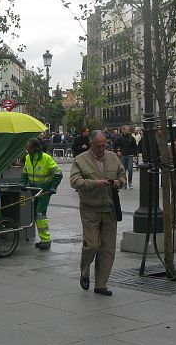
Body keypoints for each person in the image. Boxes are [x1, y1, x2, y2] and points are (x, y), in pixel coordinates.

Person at [69, 130, 127, 296]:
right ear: (91, 144)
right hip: (90, 208)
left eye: (104, 145)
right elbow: (74, 181)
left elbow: (123, 176)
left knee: (108, 248)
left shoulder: (113, 158)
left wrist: (118, 182)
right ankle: (85, 270)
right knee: (92, 244)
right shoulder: (80, 160)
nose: (102, 149)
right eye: (99, 146)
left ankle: (101, 284)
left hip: (109, 209)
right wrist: (94, 183)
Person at [20, 137, 63, 250]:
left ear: (34, 148)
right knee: (36, 214)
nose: (26, 149)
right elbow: (25, 172)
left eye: (28, 147)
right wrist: (23, 183)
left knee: (40, 214)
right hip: (34, 191)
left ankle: (46, 240)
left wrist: (53, 187)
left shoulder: (46, 158)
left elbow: (58, 173)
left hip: (44, 191)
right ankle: (43, 239)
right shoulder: (28, 158)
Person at [114, 124, 139, 189]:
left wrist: (135, 155)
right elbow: (115, 145)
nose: (128, 130)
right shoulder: (120, 138)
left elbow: (135, 147)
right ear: (123, 130)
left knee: (130, 170)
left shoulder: (132, 138)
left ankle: (130, 182)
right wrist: (117, 151)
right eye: (127, 129)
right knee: (123, 171)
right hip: (123, 156)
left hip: (130, 155)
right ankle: (124, 183)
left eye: (128, 129)